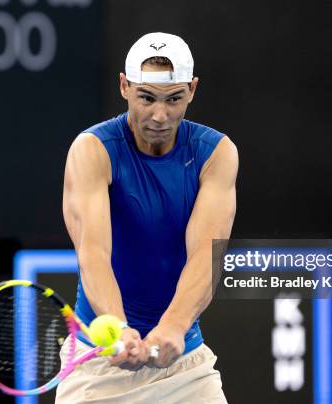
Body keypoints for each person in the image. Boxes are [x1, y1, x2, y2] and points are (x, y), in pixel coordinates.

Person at [58, 32, 238, 403]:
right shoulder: (92, 150)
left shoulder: (216, 153)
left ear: (192, 89)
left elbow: (206, 255)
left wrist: (174, 325)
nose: (160, 115)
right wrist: (118, 328)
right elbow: (93, 253)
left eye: (174, 99)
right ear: (124, 86)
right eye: (146, 98)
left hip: (185, 364)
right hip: (98, 364)